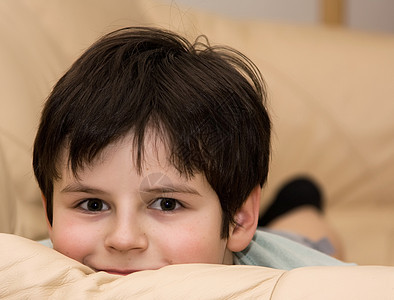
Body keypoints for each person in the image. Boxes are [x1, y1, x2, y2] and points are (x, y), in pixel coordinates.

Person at [33, 26, 349, 275]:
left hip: (275, 246)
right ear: (50, 215)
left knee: (312, 230)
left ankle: (299, 202)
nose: (123, 239)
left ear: (240, 218)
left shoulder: (297, 280)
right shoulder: (27, 270)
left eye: (167, 203)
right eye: (92, 204)